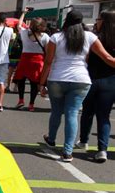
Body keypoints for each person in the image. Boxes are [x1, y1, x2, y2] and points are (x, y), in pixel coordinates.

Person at [39, 10, 115, 162]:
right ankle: (67, 152)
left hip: (57, 78)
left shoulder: (56, 37)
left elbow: (48, 62)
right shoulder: (90, 37)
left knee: (56, 111)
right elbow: (106, 57)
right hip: (81, 79)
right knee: (72, 113)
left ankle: (52, 138)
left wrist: (41, 83)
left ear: (66, 20)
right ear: (81, 22)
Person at [77, 10, 115, 163]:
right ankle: (102, 150)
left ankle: (83, 141)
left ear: (103, 21)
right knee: (104, 116)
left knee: (87, 111)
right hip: (111, 80)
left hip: (91, 78)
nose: (96, 22)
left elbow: (85, 58)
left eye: (98, 19)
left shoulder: (94, 38)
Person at [14, 9, 50, 111]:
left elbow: (18, 25)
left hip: (25, 59)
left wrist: (24, 13)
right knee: (34, 84)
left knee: (21, 80)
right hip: (38, 61)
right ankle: (31, 104)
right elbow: (47, 52)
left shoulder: (24, 33)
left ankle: (21, 100)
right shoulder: (45, 36)